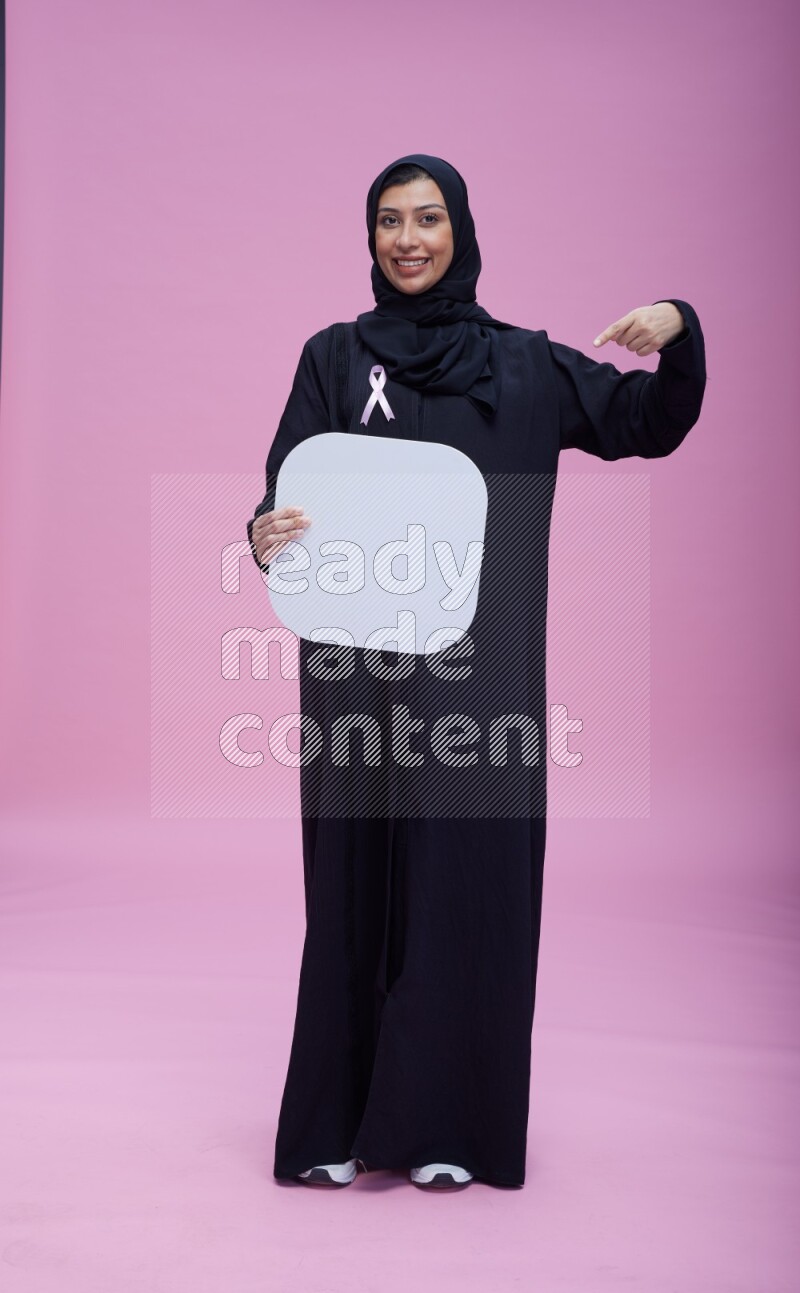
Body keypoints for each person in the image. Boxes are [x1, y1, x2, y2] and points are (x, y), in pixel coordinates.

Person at [246, 153, 707, 1191]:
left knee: (465, 887)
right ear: (367, 241)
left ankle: (446, 1126)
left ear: (459, 230)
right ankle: (334, 1125)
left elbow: (647, 423)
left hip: (475, 687)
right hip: (353, 674)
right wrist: (262, 529)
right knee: (353, 888)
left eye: (426, 218)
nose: (406, 239)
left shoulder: (525, 367)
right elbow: (284, 490)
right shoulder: (330, 358)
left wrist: (676, 328)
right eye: (386, 222)